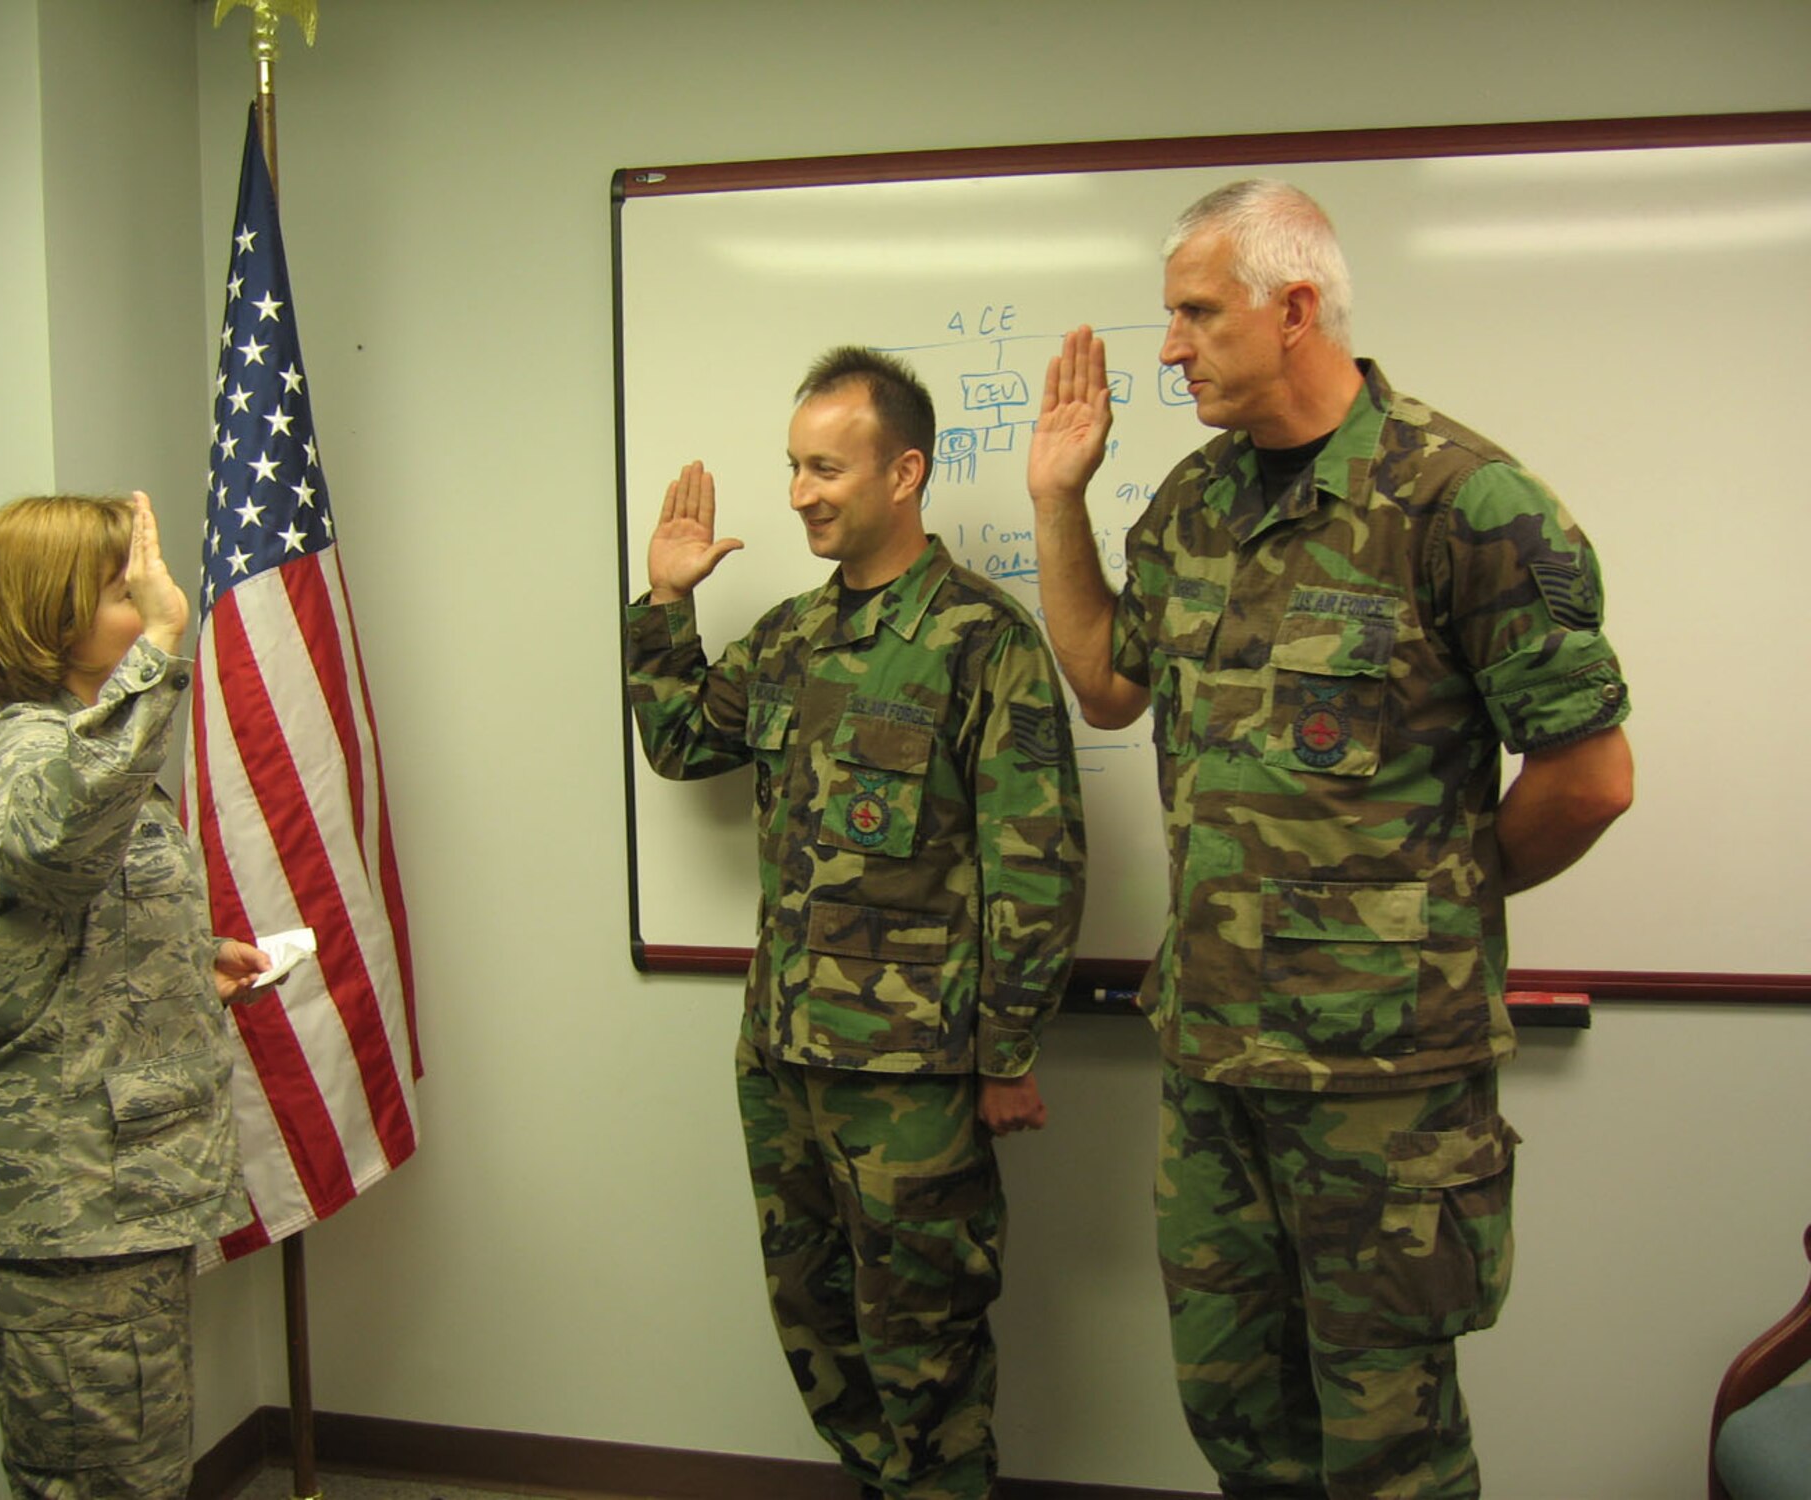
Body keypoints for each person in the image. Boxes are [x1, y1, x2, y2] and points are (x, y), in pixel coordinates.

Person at [1024, 181, 1634, 1499]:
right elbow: (1108, 685)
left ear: (1292, 307)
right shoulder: (1193, 507)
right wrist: (1057, 503)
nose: (1171, 346)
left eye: (1195, 312)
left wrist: (1438, 897)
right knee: (1238, 1417)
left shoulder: (1466, 508)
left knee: (1387, 1447)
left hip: (1385, 1089)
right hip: (1215, 1066)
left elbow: (1589, 778)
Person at [626, 347, 1087, 1500]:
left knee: (922, 1337)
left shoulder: (982, 639)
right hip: (782, 1055)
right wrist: (666, 603)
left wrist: (1006, 1053)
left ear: (904, 472)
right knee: (815, 1320)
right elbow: (684, 743)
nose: (798, 494)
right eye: (792, 468)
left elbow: (1034, 863)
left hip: (913, 1077)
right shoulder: (790, 637)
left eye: (824, 468)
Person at [0, 491, 268, 1498]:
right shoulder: (26, 754)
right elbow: (59, 835)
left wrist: (185, 966)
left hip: (112, 1213)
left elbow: (66, 925)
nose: (155, 600)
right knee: (108, 1487)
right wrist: (161, 645)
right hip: (69, 1217)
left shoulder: (76, 750)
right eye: (124, 590)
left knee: (134, 1476)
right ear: (50, 613)